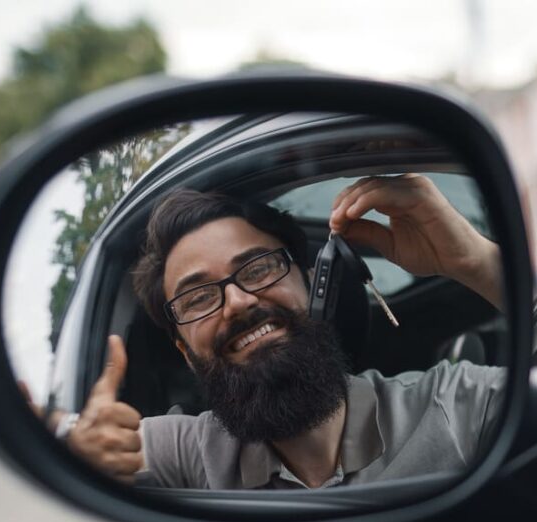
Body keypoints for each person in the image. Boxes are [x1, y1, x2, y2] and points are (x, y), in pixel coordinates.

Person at [62, 174, 506, 489]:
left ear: (313, 285)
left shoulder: (450, 404)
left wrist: (469, 260)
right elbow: (79, 451)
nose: (238, 302)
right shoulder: (189, 453)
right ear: (184, 352)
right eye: (197, 298)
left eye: (257, 268)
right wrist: (76, 445)